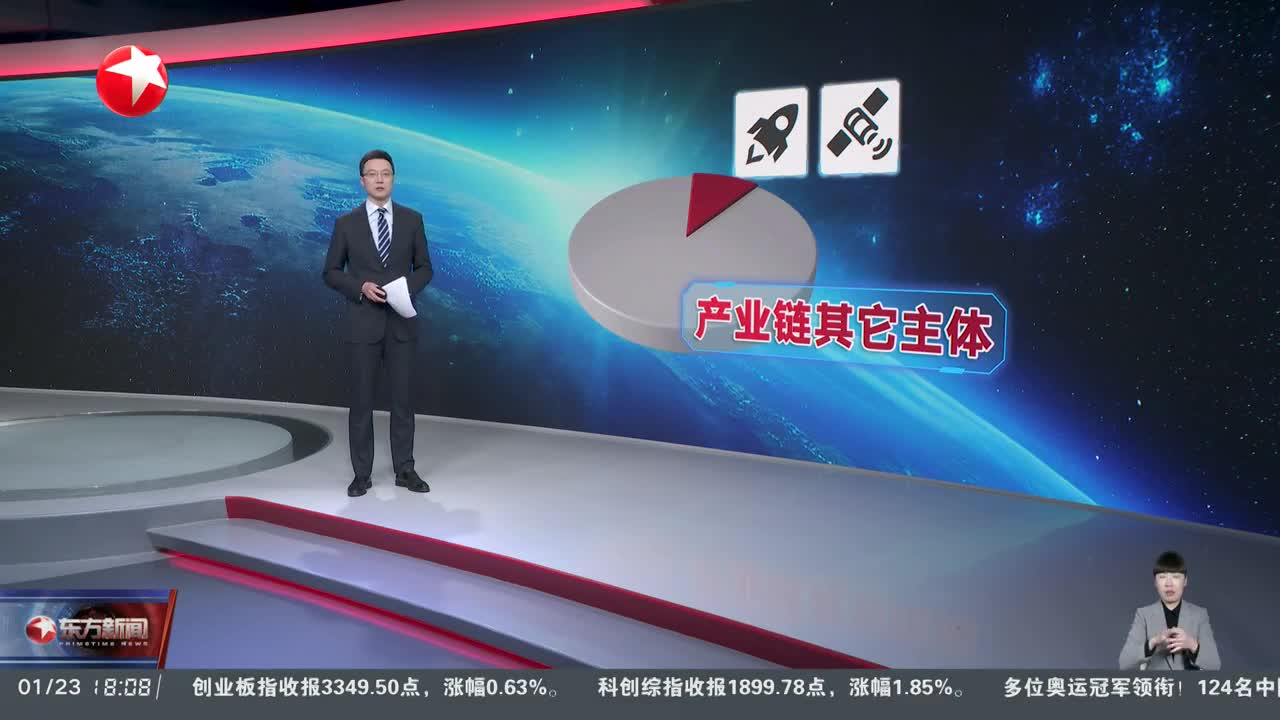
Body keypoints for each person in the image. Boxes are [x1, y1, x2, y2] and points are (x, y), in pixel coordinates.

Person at [322, 149, 434, 497]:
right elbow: (331, 272)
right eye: (372, 174)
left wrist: (404, 288)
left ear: (393, 178)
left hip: (401, 325)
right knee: (361, 403)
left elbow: (425, 268)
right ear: (362, 181)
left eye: (385, 173)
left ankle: (405, 470)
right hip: (363, 324)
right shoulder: (346, 224)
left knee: (403, 402)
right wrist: (360, 287)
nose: (379, 179)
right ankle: (362, 475)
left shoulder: (413, 220)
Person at [1118, 551, 1220, 670]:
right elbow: (1124, 663)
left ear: (1185, 581)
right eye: (1162, 577)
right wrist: (1153, 642)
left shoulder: (1199, 614)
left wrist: (1192, 644)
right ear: (1155, 582)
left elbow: (1214, 665)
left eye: (1175, 576)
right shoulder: (1144, 614)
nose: (1169, 584)